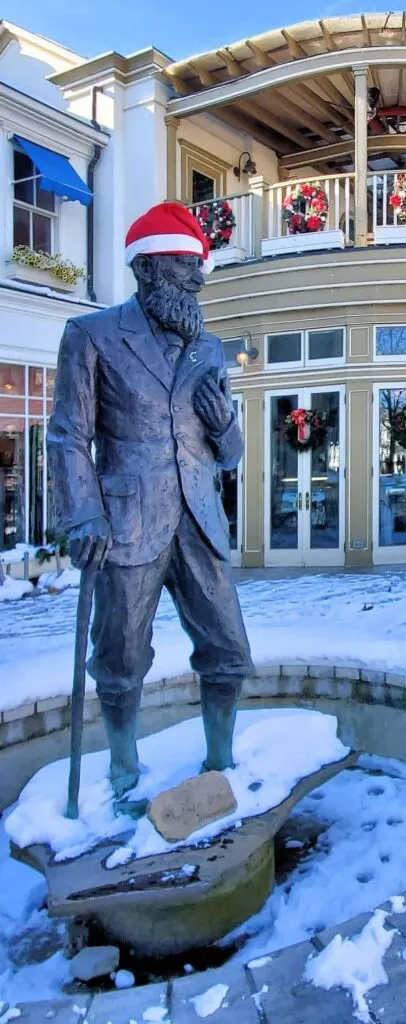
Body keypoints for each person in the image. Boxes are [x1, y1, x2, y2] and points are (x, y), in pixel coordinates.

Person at [47, 202, 253, 802]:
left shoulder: (207, 347)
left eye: (199, 265)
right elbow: (67, 435)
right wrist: (82, 514)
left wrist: (224, 427)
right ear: (147, 267)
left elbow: (230, 454)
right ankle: (122, 769)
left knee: (228, 650)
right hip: (125, 523)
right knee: (120, 657)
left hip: (199, 523)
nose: (198, 276)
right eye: (186, 263)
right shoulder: (92, 335)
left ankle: (221, 762)